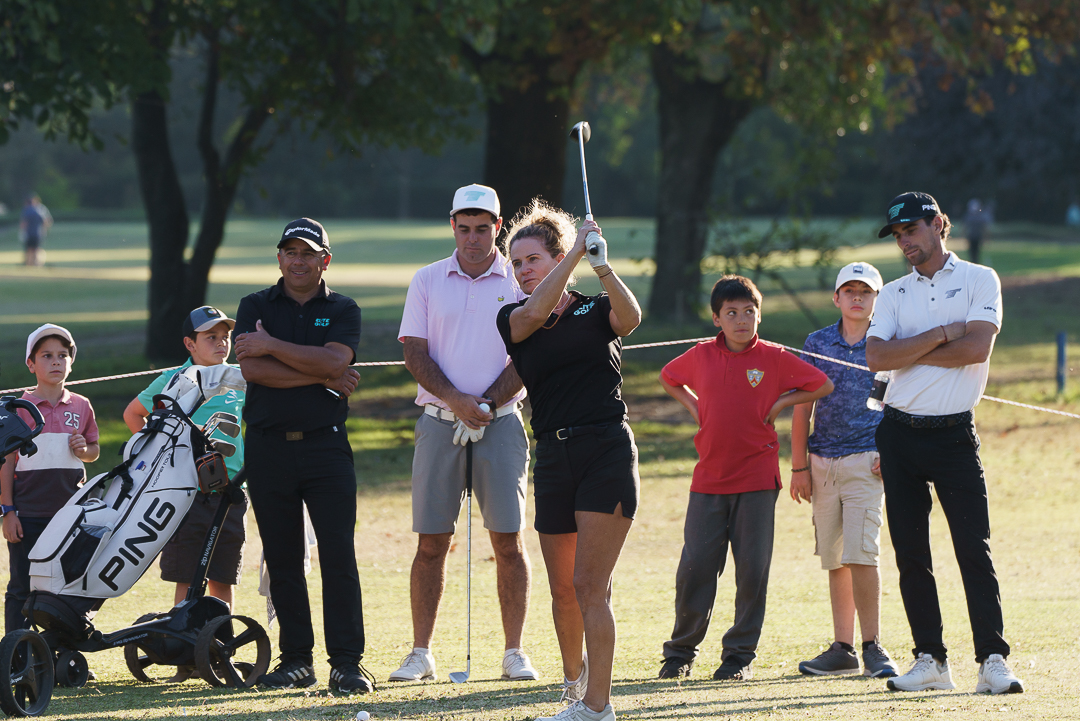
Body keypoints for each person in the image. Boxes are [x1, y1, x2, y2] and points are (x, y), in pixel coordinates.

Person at [866, 191, 1023, 695]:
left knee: (973, 549)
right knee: (911, 553)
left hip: (954, 434)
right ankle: (930, 660)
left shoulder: (980, 278)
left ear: (938, 224)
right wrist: (940, 334)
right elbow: (876, 358)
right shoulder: (893, 293)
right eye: (897, 235)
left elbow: (976, 348)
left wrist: (908, 351)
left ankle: (992, 660)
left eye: (911, 230)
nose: (904, 242)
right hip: (899, 434)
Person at [496, 200, 641, 721]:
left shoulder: (593, 307)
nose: (523, 270)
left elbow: (631, 318)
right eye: (516, 263)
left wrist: (601, 264)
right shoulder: (513, 317)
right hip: (553, 457)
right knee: (563, 588)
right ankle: (573, 687)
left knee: (589, 586)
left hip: (605, 450)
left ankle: (598, 706)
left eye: (532, 259)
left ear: (556, 258)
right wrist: (577, 251)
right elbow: (534, 316)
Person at [392, 184, 537, 682]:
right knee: (431, 542)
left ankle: (514, 651)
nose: (473, 239)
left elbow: (529, 355)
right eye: (464, 228)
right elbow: (414, 352)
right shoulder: (428, 279)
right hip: (439, 423)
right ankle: (420, 653)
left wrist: (487, 404)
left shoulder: (520, 278)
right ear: (452, 226)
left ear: (498, 227)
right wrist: (456, 400)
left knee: (509, 542)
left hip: (502, 423)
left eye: (482, 229)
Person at [657, 276, 834, 682]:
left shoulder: (774, 357)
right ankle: (680, 653)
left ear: (759, 315)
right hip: (708, 480)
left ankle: (738, 658)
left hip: (757, 479)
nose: (741, 320)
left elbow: (822, 384)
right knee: (696, 568)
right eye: (732, 313)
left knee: (752, 571)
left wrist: (782, 401)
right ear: (716, 319)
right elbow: (669, 376)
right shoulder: (701, 354)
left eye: (749, 312)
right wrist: (694, 406)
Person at [233, 218, 371, 694]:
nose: (298, 261)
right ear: (279, 258)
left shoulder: (343, 308)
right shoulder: (254, 305)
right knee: (282, 556)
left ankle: (346, 663)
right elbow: (253, 371)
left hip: (325, 445)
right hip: (268, 446)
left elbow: (336, 360)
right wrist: (321, 374)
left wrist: (272, 345)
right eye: (290, 252)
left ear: (324, 260)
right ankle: (296, 660)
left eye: (307, 253)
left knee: (338, 555)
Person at [122, 306, 247, 682]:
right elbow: (133, 414)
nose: (221, 343)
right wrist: (157, 454)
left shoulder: (242, 378)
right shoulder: (173, 379)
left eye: (225, 336)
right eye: (211, 337)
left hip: (230, 490)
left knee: (222, 576)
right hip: (185, 492)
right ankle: (185, 655)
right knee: (188, 575)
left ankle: (220, 652)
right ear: (190, 344)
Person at [789, 262, 899, 679]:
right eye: (850, 290)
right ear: (836, 297)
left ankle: (873, 645)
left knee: (862, 554)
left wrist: (891, 450)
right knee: (835, 559)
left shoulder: (888, 344)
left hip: (868, 463)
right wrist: (799, 465)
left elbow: (900, 402)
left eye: (865, 292)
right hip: (821, 464)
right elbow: (802, 408)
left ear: (877, 299)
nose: (857, 297)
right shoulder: (817, 342)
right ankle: (843, 648)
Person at [1, 325, 99, 634]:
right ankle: (17, 652)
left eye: (62, 355)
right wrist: (8, 511)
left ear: (71, 362)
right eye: (46, 356)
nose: (56, 361)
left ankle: (58, 650)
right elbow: (6, 463)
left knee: (67, 586)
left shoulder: (81, 405)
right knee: (22, 586)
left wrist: (84, 450)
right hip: (27, 515)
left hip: (70, 515)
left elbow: (93, 451)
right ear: (31, 364)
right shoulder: (16, 410)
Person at [19, 194, 52, 267]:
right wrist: (44, 230)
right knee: (36, 250)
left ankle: (29, 264)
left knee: (29, 250)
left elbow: (23, 223)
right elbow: (45, 221)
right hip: (37, 234)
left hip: (29, 234)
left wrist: (22, 231)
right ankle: (36, 264)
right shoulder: (38, 211)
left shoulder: (26, 210)